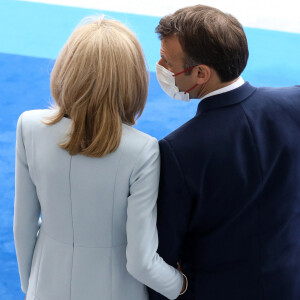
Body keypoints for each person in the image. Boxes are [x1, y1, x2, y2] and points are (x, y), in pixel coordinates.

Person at [13, 16, 187, 300]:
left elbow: (23, 228)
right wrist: (181, 284)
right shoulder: (143, 150)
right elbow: (141, 261)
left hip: (45, 285)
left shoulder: (28, 126)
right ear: (132, 80)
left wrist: (30, 286)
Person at [147, 4, 300, 300]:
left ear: (201, 73)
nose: (161, 67)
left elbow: (164, 254)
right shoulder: (295, 104)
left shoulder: (177, 150)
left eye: (167, 61)